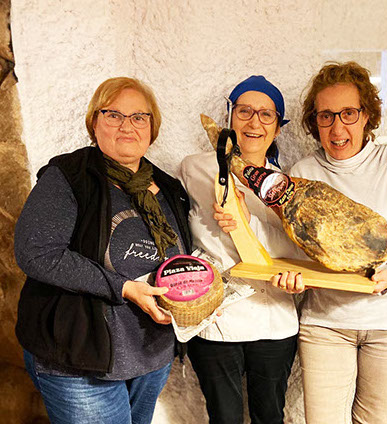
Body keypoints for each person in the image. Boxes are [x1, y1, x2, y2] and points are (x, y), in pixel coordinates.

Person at [268, 61, 387, 423]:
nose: (337, 127)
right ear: (315, 122)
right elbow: (298, 251)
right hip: (326, 324)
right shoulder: (303, 174)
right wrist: (294, 280)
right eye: (326, 116)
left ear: (367, 115)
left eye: (348, 113)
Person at [15, 77, 191, 424]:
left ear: (152, 127)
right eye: (113, 115)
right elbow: (37, 252)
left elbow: (182, 261)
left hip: (150, 355)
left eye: (139, 117)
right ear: (94, 122)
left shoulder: (169, 187)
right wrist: (123, 287)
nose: (127, 126)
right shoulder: (68, 177)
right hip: (79, 358)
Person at [177, 75, 300, 424]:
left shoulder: (287, 185)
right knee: (224, 418)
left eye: (266, 114)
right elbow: (176, 233)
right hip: (215, 320)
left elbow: (294, 250)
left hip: (274, 319)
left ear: (278, 127)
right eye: (244, 111)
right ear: (230, 117)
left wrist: (247, 220)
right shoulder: (194, 168)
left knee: (270, 417)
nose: (254, 122)